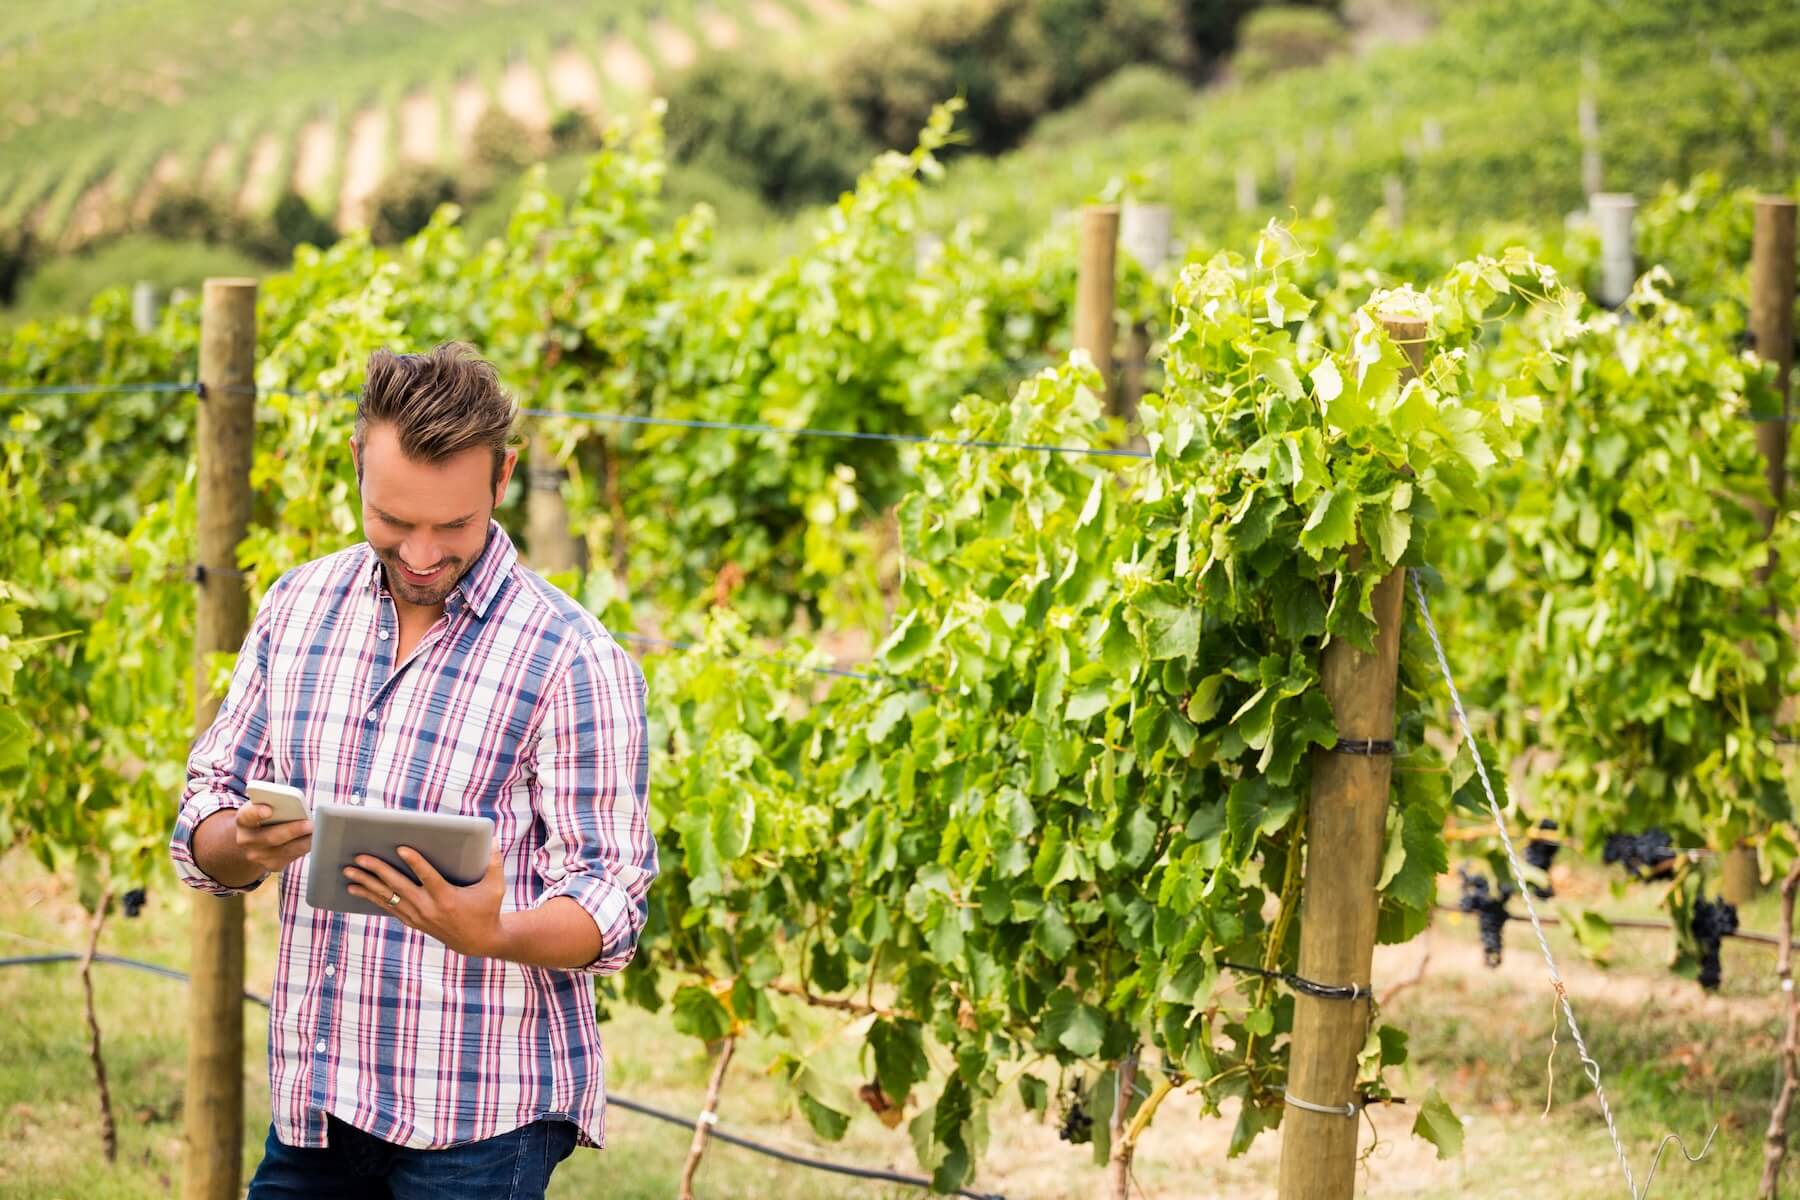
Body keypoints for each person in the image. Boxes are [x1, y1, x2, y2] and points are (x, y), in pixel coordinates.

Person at [170, 342, 657, 1199]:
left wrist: (492, 933)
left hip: (480, 1117)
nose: (424, 552)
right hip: (320, 1099)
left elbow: (611, 898)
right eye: (395, 521)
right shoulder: (299, 606)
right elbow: (203, 811)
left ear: (501, 479)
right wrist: (245, 845)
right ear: (357, 462)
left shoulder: (572, 659)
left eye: (454, 526)